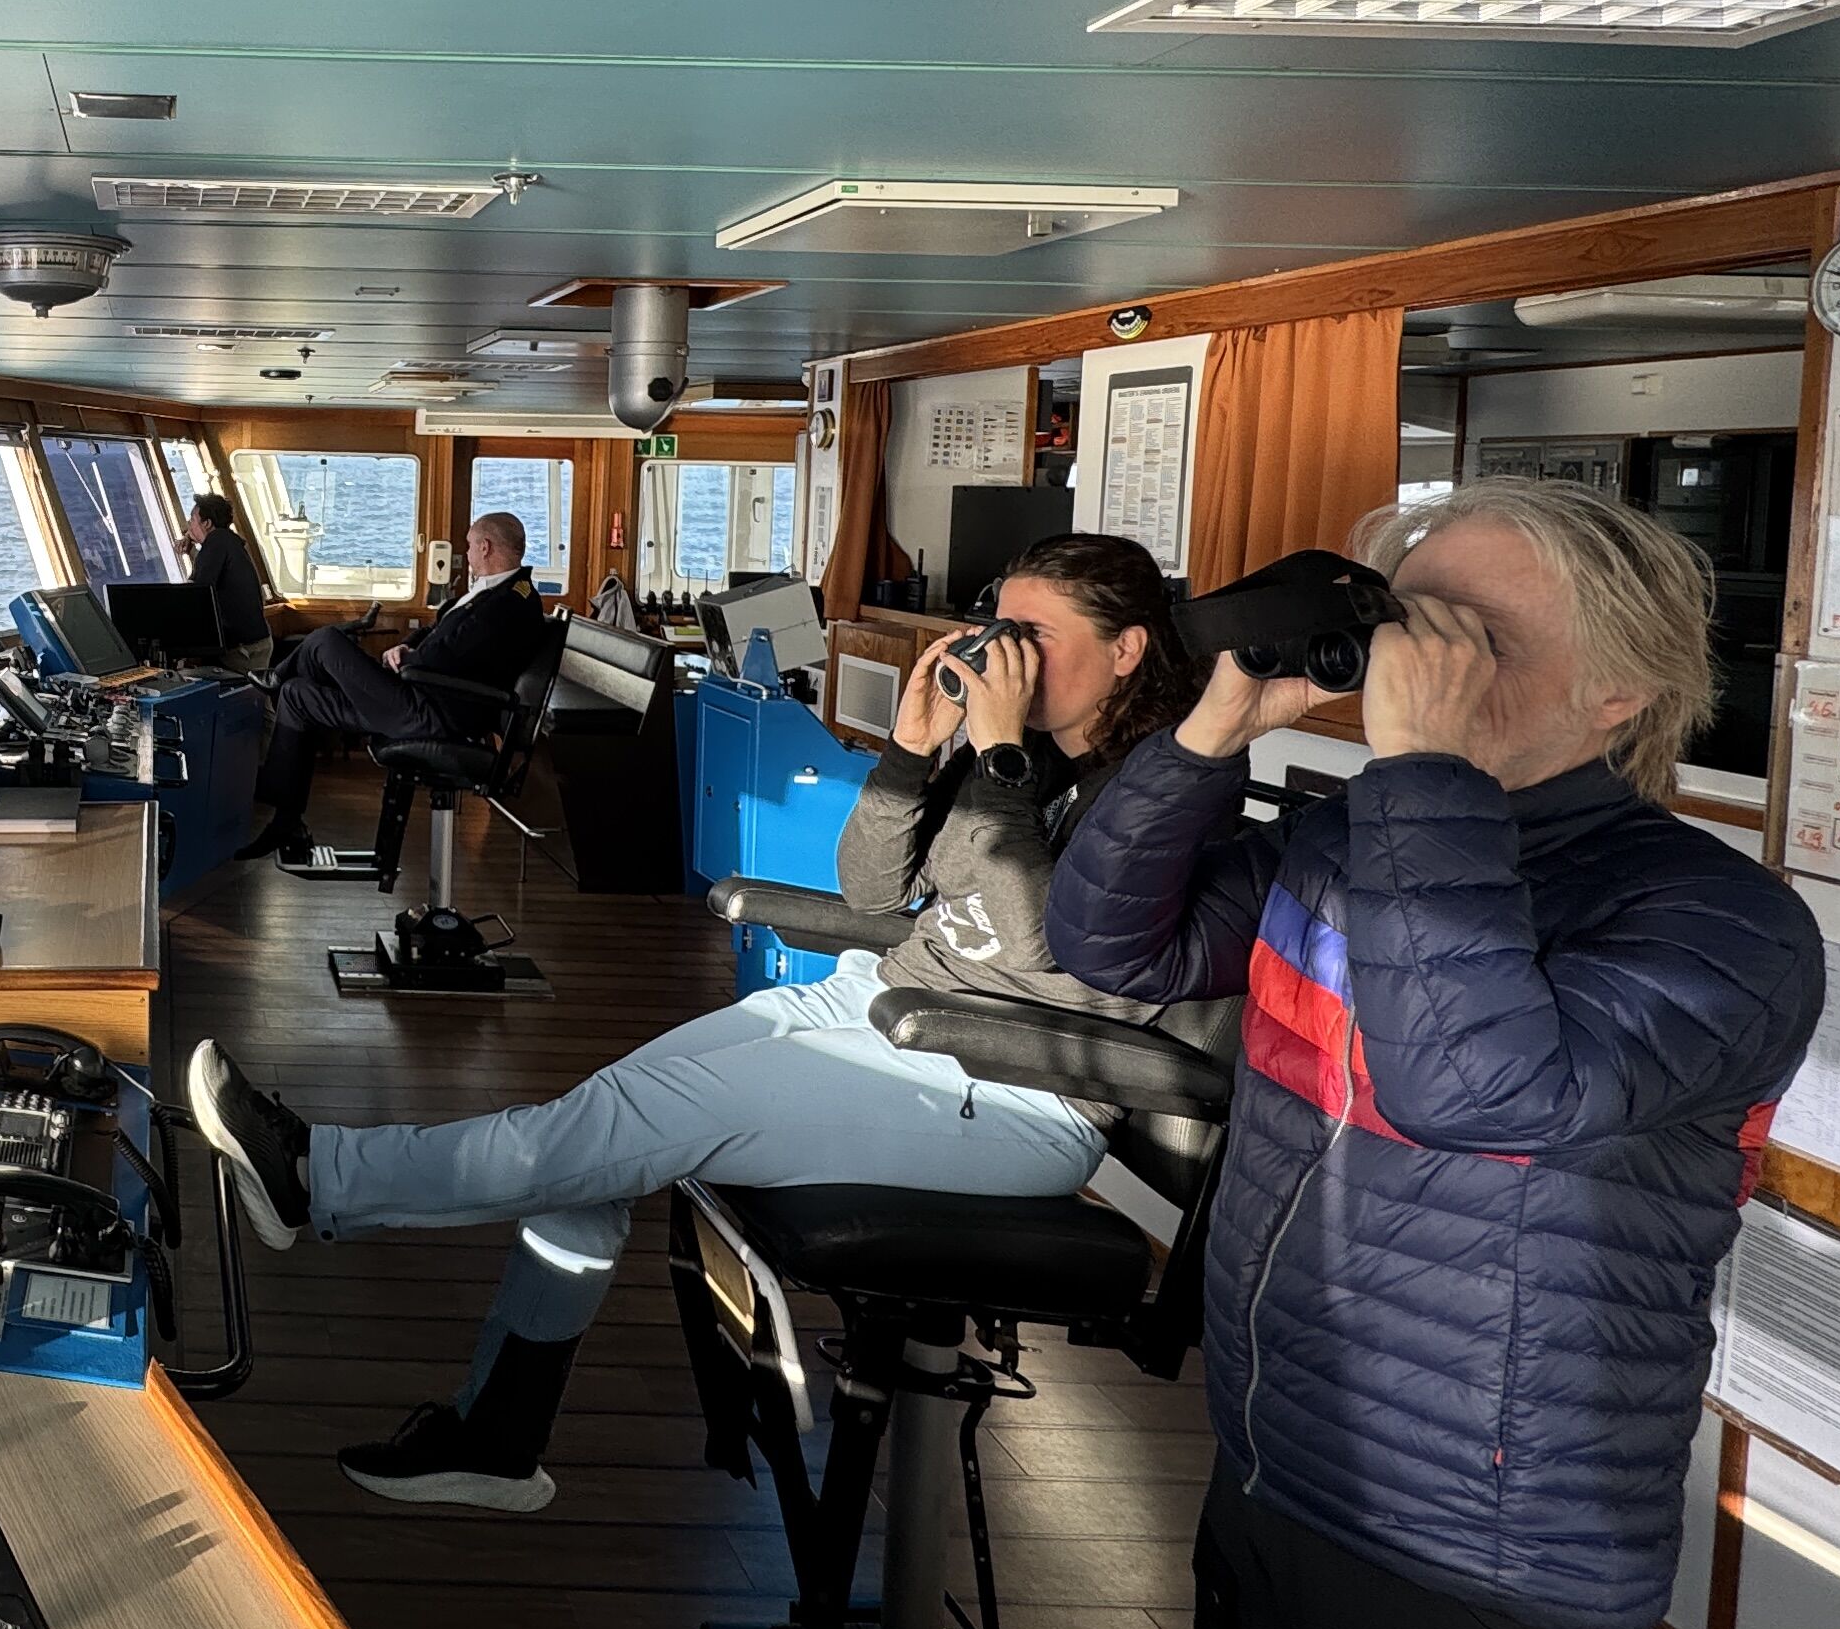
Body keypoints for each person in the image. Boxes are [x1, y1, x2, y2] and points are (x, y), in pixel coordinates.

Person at [1043, 480, 1822, 1629]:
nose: (1423, 657)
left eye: (1474, 633)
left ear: (1623, 692)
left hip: (1478, 1548)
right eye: (1411, 620)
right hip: (1276, 1475)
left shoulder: (1718, 923)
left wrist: (1417, 772)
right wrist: (1209, 732)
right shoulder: (1352, 843)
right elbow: (1114, 942)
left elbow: (1478, 1088)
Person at [192, 531, 1199, 1510]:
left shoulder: (1145, 793)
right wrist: (909, 753)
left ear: (1126, 650)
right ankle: (498, 1437)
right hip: (890, 1008)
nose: (1006, 660)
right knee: (605, 1121)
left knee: (617, 1130)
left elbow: (1037, 949)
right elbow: (870, 886)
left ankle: (323, 1176)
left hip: (1007, 1083)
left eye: (1035, 636)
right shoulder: (1019, 757)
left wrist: (1002, 754)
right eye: (1000, 632)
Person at [242, 508, 554, 860]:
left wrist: (410, 661)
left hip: (432, 711)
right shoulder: (497, 591)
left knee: (326, 640)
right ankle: (286, 821)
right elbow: (438, 630)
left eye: (468, 546)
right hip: (419, 696)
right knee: (297, 696)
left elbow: (450, 652)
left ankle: (277, 677)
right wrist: (406, 647)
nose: (466, 554)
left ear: (485, 547)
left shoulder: (510, 602)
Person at [180, 491, 276, 678]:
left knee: (186, 678)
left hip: (241, 649)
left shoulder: (215, 542)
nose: (188, 526)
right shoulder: (229, 542)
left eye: (192, 520)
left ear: (207, 523)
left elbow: (196, 593)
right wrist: (192, 552)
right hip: (257, 641)